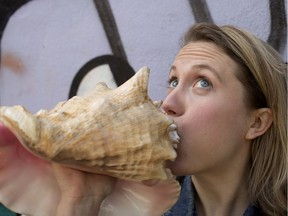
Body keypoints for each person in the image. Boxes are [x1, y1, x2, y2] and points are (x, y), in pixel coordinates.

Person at [1, 23, 287, 216]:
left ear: (256, 123)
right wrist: (82, 200)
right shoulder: (128, 206)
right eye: (173, 81)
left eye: (203, 83)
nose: (169, 104)